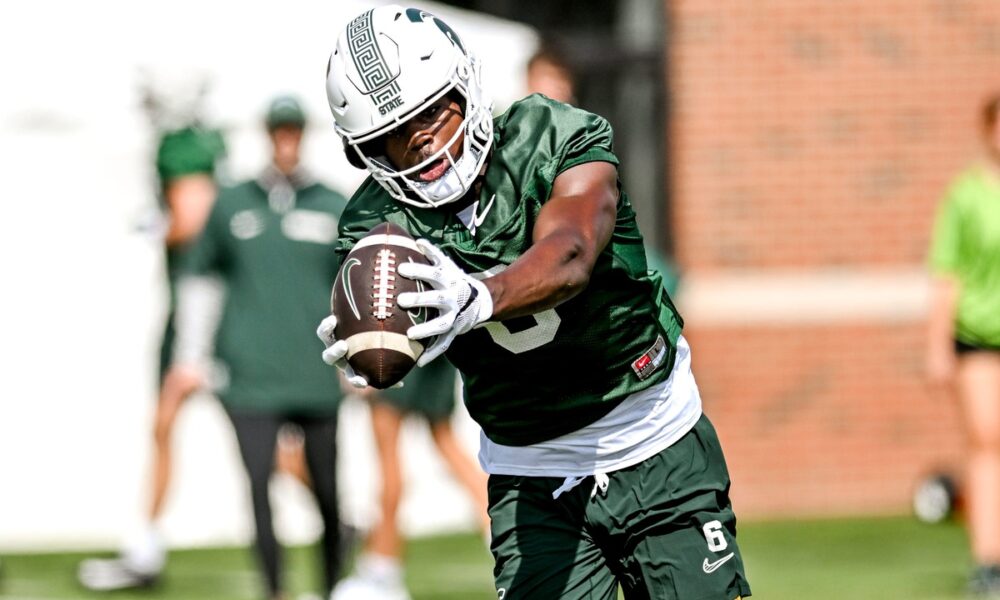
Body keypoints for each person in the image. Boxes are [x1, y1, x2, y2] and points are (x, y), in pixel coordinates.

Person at [317, 6, 751, 599]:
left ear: (467, 88)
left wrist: (480, 297)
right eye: (395, 136)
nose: (422, 142)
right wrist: (374, 344)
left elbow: (570, 254)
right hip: (530, 470)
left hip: (652, 437)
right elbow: (383, 329)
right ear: (366, 152)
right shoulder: (378, 222)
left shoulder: (555, 136)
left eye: (432, 116)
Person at [176, 95, 349, 600]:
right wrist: (193, 357)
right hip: (249, 371)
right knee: (258, 487)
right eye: (279, 130)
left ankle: (333, 586)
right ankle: (274, 591)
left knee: (328, 492)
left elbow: (354, 290)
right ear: (268, 134)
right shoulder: (232, 201)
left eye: (294, 129)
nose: (287, 139)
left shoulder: (332, 203)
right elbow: (199, 278)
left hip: (314, 372)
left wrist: (357, 360)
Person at [78, 82, 228, 592]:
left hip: (199, 312)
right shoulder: (202, 143)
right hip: (202, 306)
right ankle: (145, 543)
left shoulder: (182, 148)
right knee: (176, 426)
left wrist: (155, 226)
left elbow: (194, 216)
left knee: (179, 423)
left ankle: (145, 547)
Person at [330, 357, 489, 600]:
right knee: (446, 442)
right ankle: (505, 531)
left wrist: (364, 358)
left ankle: (382, 571)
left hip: (393, 347)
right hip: (437, 346)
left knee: (388, 459)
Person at [927, 93, 1000, 597]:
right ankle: (989, 561)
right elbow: (947, 274)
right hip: (978, 338)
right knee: (987, 443)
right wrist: (937, 345)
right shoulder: (966, 194)